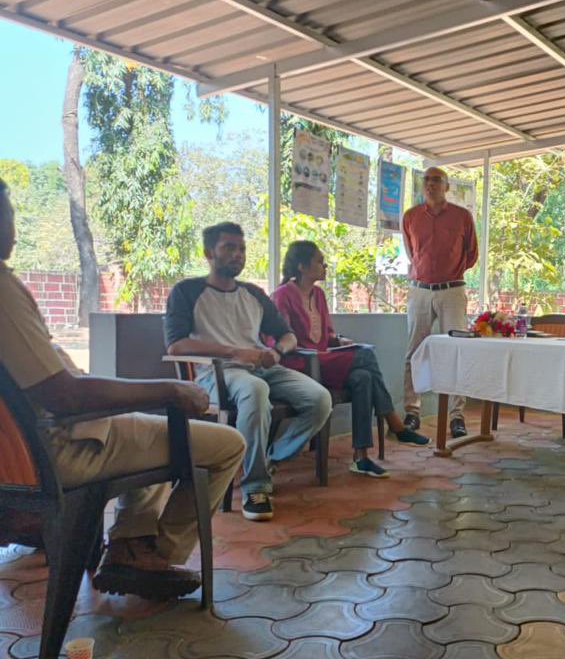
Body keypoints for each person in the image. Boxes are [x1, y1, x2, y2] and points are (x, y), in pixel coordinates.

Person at [0, 179, 245, 600]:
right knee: (227, 444)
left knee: (143, 428)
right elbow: (64, 395)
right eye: (10, 211)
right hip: (60, 445)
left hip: (31, 448)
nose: (14, 224)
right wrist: (167, 389)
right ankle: (152, 554)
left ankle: (130, 542)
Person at [165, 222, 332, 522]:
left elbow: (287, 334)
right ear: (208, 253)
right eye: (229, 247)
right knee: (255, 391)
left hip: (260, 367)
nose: (238, 254)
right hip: (217, 373)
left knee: (319, 399)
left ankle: (269, 460)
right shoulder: (187, 291)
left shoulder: (253, 294)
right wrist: (235, 352)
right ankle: (255, 486)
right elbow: (176, 346)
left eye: (241, 248)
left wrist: (276, 352)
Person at [272, 241, 430, 477]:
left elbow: (326, 336)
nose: (325, 266)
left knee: (363, 376)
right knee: (365, 354)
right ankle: (395, 424)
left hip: (323, 361)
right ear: (302, 266)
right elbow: (281, 339)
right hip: (299, 364)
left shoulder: (319, 295)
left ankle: (361, 457)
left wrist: (339, 341)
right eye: (319, 261)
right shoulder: (282, 296)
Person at [401, 167, 478, 438]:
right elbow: (413, 254)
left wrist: (448, 272)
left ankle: (457, 417)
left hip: (452, 292)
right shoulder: (410, 217)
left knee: (457, 350)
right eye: (426, 180)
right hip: (419, 291)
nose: (430, 184)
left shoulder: (462, 217)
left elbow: (471, 254)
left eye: (436, 180)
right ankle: (412, 412)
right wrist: (427, 275)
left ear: (447, 187)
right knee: (414, 352)